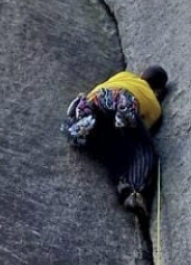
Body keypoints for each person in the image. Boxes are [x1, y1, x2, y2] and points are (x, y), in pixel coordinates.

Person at [64, 65, 168, 215]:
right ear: (158, 91)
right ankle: (134, 191)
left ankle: (75, 119)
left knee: (90, 130)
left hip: (98, 99)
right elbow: (140, 135)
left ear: (142, 74)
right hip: (124, 105)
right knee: (142, 150)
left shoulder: (124, 75)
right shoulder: (154, 105)